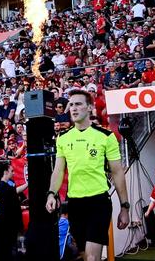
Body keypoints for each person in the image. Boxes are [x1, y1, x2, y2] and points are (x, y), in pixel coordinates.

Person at [46, 89, 129, 261]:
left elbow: (117, 172)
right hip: (75, 204)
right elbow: (58, 170)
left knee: (92, 257)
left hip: (98, 202)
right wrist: (51, 194)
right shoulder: (63, 138)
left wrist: (125, 207)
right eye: (71, 105)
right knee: (84, 255)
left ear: (90, 108)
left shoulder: (106, 137)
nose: (74, 109)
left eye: (78, 104)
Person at [0, 162, 23, 261]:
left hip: (6, 226)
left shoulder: (7, 186)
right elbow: (11, 206)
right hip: (7, 226)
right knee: (8, 252)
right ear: (5, 172)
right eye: (12, 171)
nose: (13, 173)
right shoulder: (4, 188)